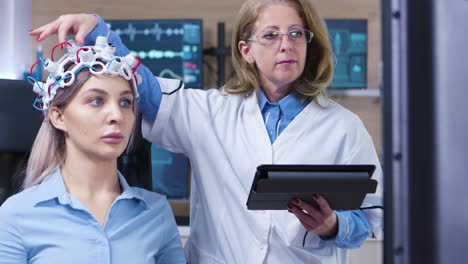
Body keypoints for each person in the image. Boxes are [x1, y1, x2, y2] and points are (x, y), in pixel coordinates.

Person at [30, 0, 383, 263]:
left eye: (295, 34)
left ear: (309, 43)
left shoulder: (343, 128)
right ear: (246, 50)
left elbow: (372, 216)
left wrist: (333, 225)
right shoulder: (211, 112)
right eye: (271, 35)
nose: (286, 44)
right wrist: (98, 30)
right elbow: (148, 92)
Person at [0, 37, 186, 263]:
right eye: (97, 101)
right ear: (58, 117)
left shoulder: (156, 212)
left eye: (125, 103)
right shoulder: (18, 215)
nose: (116, 116)